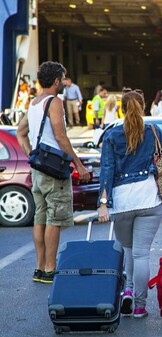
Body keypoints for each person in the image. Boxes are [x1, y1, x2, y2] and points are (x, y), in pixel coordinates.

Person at [97, 89, 162, 318]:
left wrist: (103, 202)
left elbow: (106, 171)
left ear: (122, 109)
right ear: (144, 107)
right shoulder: (153, 131)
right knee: (141, 255)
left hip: (122, 202)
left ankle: (127, 291)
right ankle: (139, 306)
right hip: (148, 199)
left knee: (127, 250)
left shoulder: (111, 135)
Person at [16, 61, 90, 284]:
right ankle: (50, 268)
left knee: (40, 216)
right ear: (56, 81)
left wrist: (32, 155)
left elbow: (20, 132)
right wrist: (78, 164)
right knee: (54, 219)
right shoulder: (54, 102)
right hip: (54, 170)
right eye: (63, 79)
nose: (65, 82)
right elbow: (60, 137)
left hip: (38, 169)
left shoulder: (35, 103)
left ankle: (39, 268)